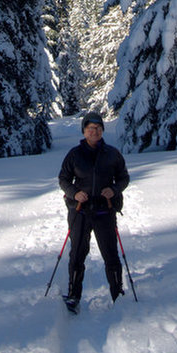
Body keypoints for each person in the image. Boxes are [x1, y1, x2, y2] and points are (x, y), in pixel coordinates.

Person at [58, 111, 130, 311]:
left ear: (102, 131)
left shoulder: (112, 154)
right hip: (80, 211)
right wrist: (74, 193)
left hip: (104, 212)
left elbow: (124, 178)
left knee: (110, 255)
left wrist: (114, 190)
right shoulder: (74, 154)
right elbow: (63, 179)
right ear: (84, 131)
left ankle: (118, 293)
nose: (94, 132)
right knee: (77, 254)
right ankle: (73, 295)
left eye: (98, 128)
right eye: (90, 128)